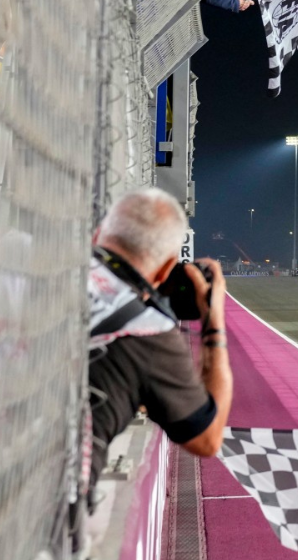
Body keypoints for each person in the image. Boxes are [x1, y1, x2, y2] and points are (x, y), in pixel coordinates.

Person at [86, 188, 233, 509]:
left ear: (97, 235)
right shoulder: (148, 330)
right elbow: (207, 439)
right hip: (47, 510)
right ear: (167, 269)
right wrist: (213, 321)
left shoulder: (42, 269)